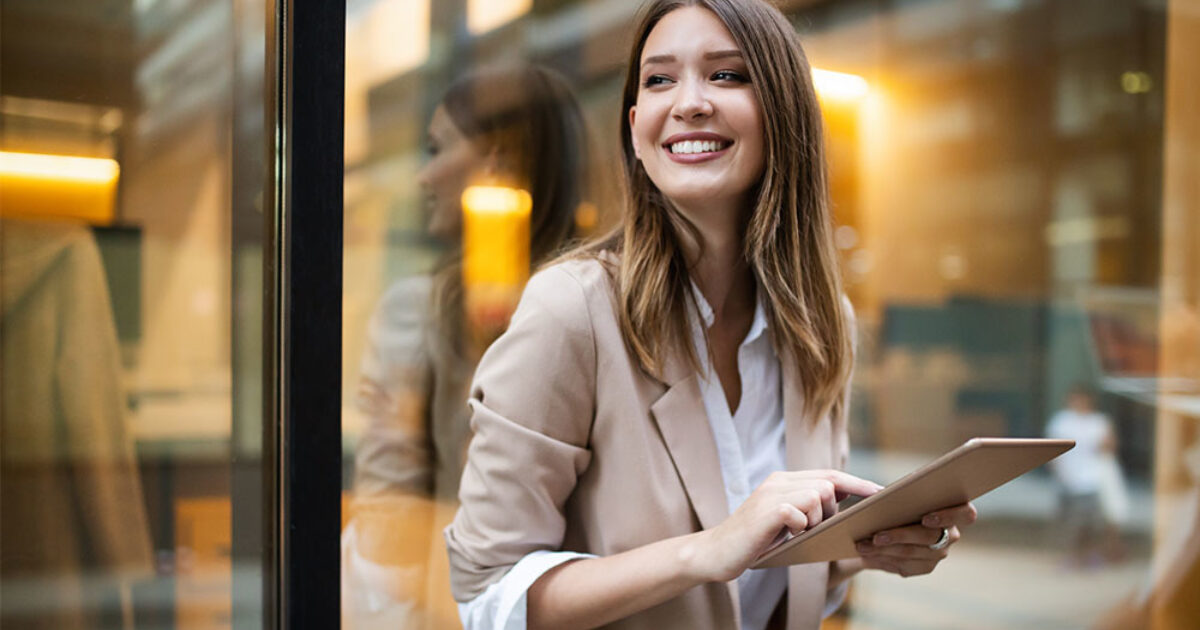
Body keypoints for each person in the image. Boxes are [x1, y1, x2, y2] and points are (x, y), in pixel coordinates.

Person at [444, 1, 977, 629]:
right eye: (660, 79)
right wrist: (706, 552)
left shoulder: (819, 321)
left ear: (783, 114)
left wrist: (874, 548)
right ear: (636, 126)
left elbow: (768, 576)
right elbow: (487, 595)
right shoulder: (574, 309)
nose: (688, 102)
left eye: (726, 75)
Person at [344, 64, 587, 629]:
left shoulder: (421, 313)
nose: (424, 176)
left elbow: (389, 533)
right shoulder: (618, 304)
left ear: (495, 158)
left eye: (437, 149)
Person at [1046, 384, 1128, 567]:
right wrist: (1059, 473)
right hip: (1068, 480)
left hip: (1092, 480)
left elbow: (1110, 448)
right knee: (1071, 523)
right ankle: (1073, 556)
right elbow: (1052, 452)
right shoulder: (1062, 421)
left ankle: (1088, 555)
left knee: (1090, 523)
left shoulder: (1098, 422)